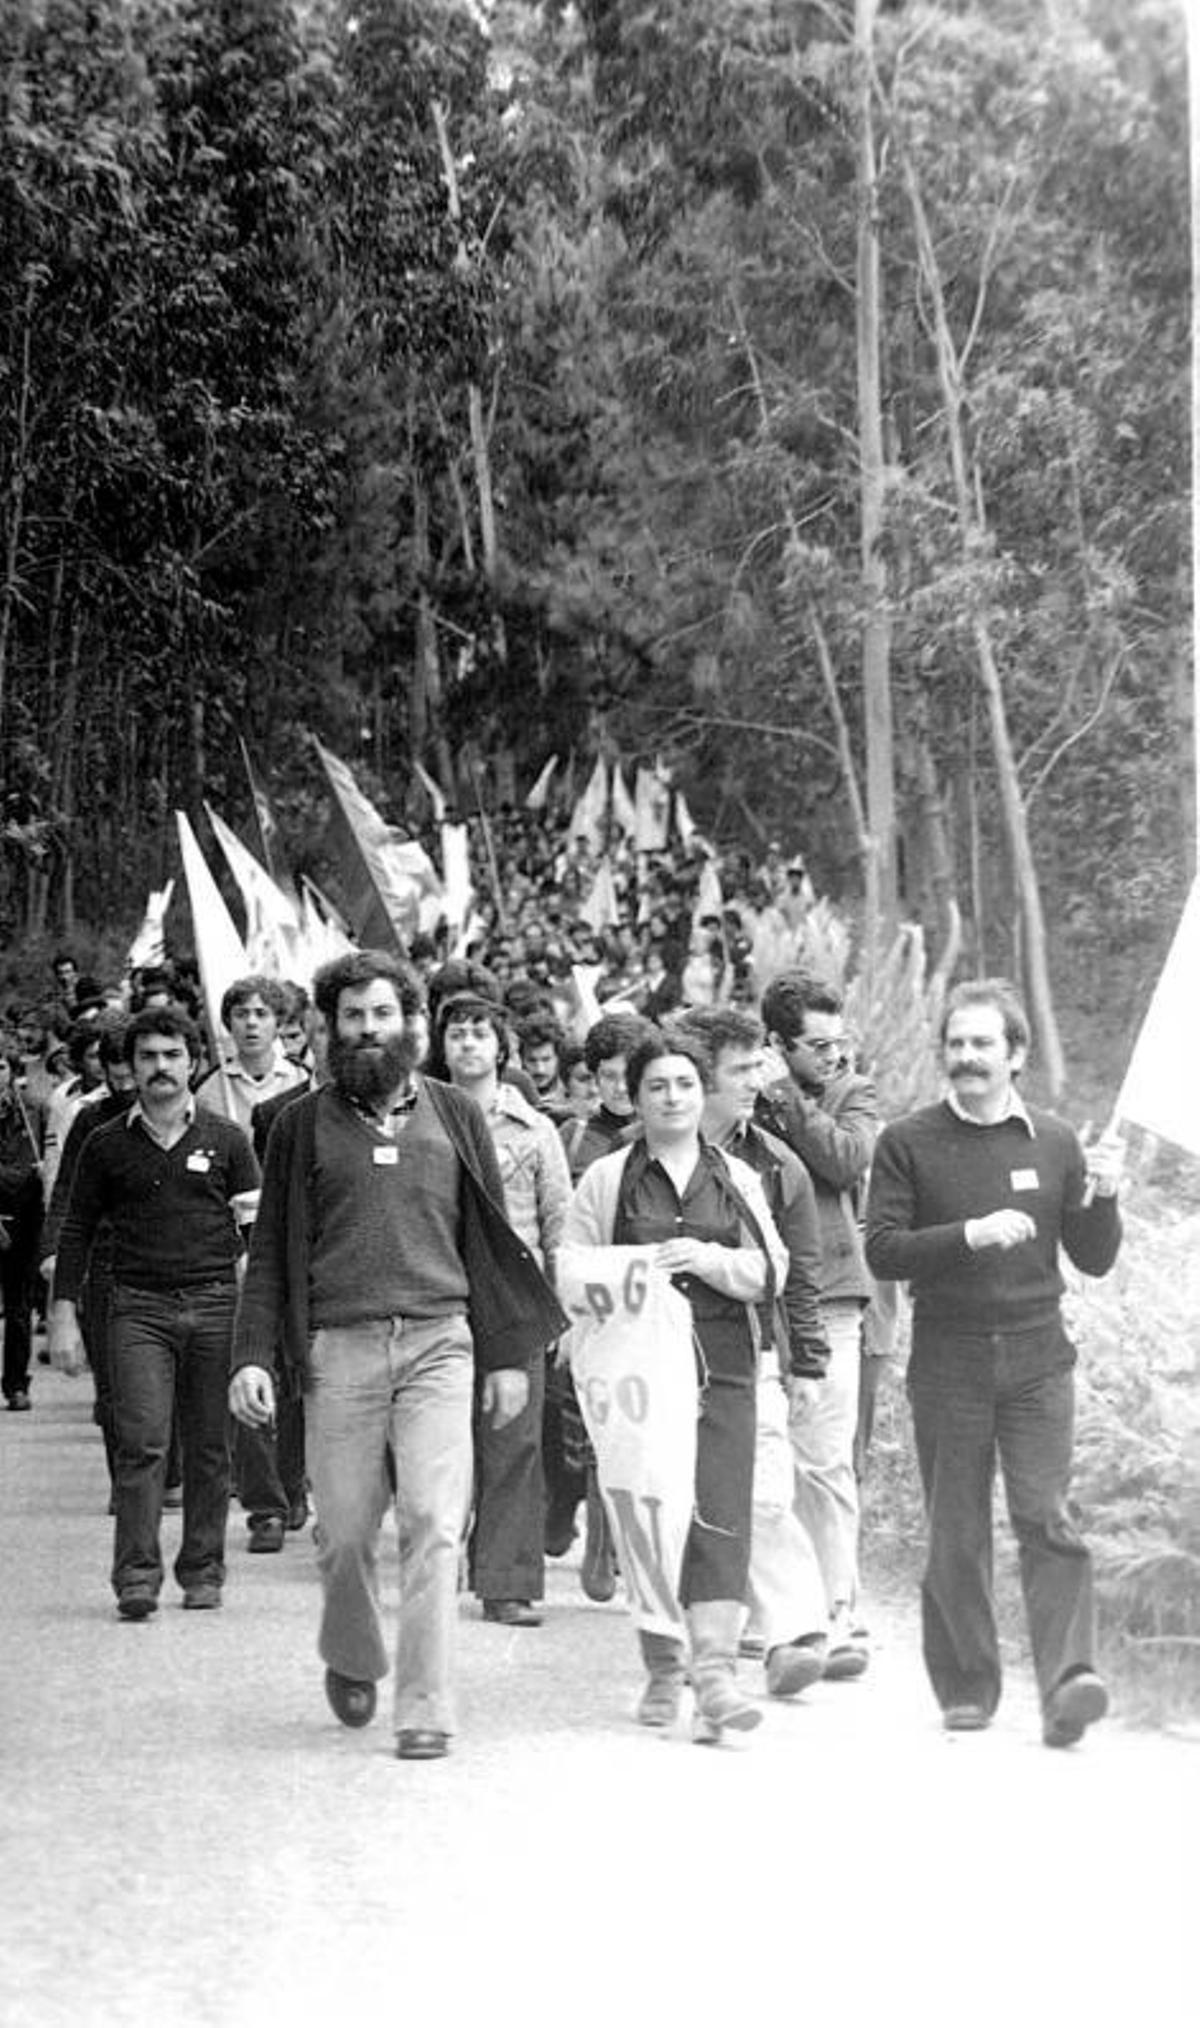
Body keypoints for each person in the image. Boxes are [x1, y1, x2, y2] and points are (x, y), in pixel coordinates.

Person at [228, 951, 565, 1761]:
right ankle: (351, 1650)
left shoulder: (454, 1115)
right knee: (344, 1531)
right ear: (328, 1026)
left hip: (439, 1346)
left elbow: (491, 1241)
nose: (368, 1030)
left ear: (409, 1022)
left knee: (434, 1522)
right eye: (352, 1017)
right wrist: (251, 1357)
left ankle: (425, 1706)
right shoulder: (298, 1125)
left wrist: (510, 1357)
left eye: (382, 1014)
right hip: (338, 1350)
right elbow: (271, 1252)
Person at [865, 978, 1123, 1747]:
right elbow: (881, 1247)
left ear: (1017, 1055)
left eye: (983, 1044)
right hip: (949, 1360)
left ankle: (1069, 1683)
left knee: (1047, 1516)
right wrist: (969, 1234)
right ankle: (968, 1685)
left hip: (1041, 1360)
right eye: (956, 1044)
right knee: (957, 1529)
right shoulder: (907, 1141)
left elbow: (1093, 1258)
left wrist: (1105, 1196)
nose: (967, 1058)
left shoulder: (1054, 1140)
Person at [563, 1030, 788, 1743]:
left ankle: (716, 1673)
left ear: (704, 1093)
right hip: (636, 1364)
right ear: (635, 1096)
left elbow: (771, 1271)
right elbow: (567, 1267)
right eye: (656, 1086)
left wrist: (711, 1259)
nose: (672, 1098)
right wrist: (636, 1269)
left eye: (686, 1084)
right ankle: (664, 1664)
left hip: (722, 1360)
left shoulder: (737, 1177)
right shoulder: (608, 1177)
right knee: (651, 1508)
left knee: (720, 1507)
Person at [49, 1006, 260, 1617]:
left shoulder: (227, 1139)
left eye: (172, 1055)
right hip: (136, 1309)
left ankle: (202, 1570)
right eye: (148, 1057)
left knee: (210, 1449)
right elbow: (77, 1229)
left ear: (192, 1064)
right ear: (130, 1069)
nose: (161, 1068)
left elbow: (255, 1233)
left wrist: (257, 1321)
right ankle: (136, 1577)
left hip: (217, 1305)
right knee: (141, 1443)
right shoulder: (105, 1142)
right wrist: (63, 1314)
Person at [671, 1007, 832, 1698]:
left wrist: (807, 1362)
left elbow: (792, 1274)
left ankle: (797, 1634)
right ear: (699, 1080)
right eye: (739, 1071)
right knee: (685, 1502)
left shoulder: (774, 1161)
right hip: (660, 1363)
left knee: (765, 1493)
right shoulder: (634, 1157)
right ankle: (697, 1642)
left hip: (748, 1354)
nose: (754, 1083)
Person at [436, 988, 571, 1628]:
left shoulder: (536, 1130)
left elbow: (558, 1227)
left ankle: (506, 1582)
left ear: (500, 1047)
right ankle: (437, 1563)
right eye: (456, 1034)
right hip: (440, 1294)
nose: (467, 1044)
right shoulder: (421, 1120)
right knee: (440, 1441)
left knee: (513, 1441)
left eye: (479, 1034)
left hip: (515, 1303)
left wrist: (558, 1311)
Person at [757, 972, 878, 1678]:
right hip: (758, 1298)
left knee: (826, 1460)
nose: (835, 1056)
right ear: (777, 1043)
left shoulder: (851, 1094)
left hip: (831, 1297)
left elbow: (843, 1159)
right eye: (818, 1046)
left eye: (841, 1042)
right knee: (767, 1464)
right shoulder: (746, 1085)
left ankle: (840, 1611)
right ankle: (783, 1616)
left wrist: (784, 1096)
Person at [42, 1020, 137, 1487]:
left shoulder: (186, 1113)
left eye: (128, 1076)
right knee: (113, 1386)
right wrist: (52, 1250)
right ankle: (125, 1477)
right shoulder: (89, 1120)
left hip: (168, 1265)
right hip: (105, 1263)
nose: (122, 1086)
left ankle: (169, 1469)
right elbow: (67, 1196)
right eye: (113, 1077)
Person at [195, 974, 307, 1135]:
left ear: (279, 1023)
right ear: (229, 1023)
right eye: (241, 1014)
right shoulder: (209, 1090)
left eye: (261, 1014)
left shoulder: (300, 1078)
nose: (251, 1023)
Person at [1, 1053, 44, 1412]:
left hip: (24, 1219)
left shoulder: (34, 1113)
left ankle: (16, 1382)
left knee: (19, 1306)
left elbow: (41, 1165)